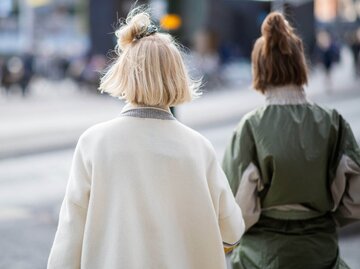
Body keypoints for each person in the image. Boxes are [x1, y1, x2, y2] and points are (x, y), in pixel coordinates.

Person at [47, 7, 245, 269]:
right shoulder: (199, 148)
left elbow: (70, 235)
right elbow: (232, 230)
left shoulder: (94, 143)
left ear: (125, 74)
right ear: (177, 76)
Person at [222, 12, 360, 269]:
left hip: (262, 257)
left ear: (259, 68)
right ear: (300, 63)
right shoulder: (334, 122)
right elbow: (355, 201)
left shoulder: (250, 128)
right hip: (321, 252)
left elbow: (236, 211)